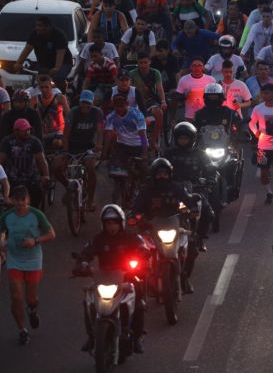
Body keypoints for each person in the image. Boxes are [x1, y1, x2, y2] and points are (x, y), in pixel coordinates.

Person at [74, 204, 148, 352]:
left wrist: (141, 257)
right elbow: (86, 252)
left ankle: (136, 337)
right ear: (103, 224)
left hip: (128, 277)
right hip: (104, 279)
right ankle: (91, 336)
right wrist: (82, 263)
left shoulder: (131, 237)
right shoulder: (98, 239)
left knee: (139, 302)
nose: (111, 226)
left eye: (115, 222)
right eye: (108, 223)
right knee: (88, 301)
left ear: (121, 223)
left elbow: (143, 248)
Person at [130, 158, 203, 293]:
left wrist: (193, 208)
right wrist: (134, 216)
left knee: (192, 247)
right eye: (159, 173)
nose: (162, 176)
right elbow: (136, 206)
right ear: (153, 174)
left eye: (165, 173)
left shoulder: (177, 188)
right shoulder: (145, 190)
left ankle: (184, 279)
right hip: (150, 228)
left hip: (174, 225)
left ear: (170, 174)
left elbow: (188, 199)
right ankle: (142, 287)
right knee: (135, 255)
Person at [0, 185, 55, 345]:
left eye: (23, 200)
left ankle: (32, 309)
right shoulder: (7, 216)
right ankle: (22, 329)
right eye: (17, 200)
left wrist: (35, 240)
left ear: (28, 200)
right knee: (16, 296)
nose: (20, 204)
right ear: (12, 200)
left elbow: (51, 234)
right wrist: (2, 243)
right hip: (14, 260)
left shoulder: (36, 214)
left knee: (31, 298)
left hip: (33, 260)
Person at [163, 123, 215, 244]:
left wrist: (210, 179)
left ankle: (200, 237)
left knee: (208, 213)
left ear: (192, 139)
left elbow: (210, 169)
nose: (183, 141)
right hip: (173, 189)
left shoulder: (200, 154)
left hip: (196, 188)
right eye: (180, 138)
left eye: (185, 138)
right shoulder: (169, 154)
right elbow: (159, 166)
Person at [59, 90, 103, 211]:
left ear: (92, 103)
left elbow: (100, 132)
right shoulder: (73, 112)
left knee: (90, 167)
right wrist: (65, 152)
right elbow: (66, 135)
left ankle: (90, 200)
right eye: (83, 102)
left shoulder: (97, 113)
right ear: (80, 102)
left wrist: (99, 146)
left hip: (88, 147)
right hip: (72, 146)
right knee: (56, 167)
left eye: (88, 103)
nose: (85, 105)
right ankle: (68, 186)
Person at [0, 119, 49, 208]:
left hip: (31, 178)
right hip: (12, 179)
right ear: (16, 131)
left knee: (38, 192)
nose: (27, 132)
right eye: (24, 130)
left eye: (28, 129)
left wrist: (46, 175)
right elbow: (1, 159)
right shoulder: (7, 142)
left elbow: (42, 160)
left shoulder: (35, 142)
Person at [14, 16, 73, 85]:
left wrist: (56, 68)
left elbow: (60, 54)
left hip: (63, 63)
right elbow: (27, 49)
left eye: (40, 26)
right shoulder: (34, 34)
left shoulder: (59, 35)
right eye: (36, 25)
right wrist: (19, 63)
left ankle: (61, 93)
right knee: (37, 80)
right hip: (43, 63)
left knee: (58, 78)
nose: (37, 28)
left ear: (48, 27)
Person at [101, 93, 147, 178]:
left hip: (138, 145)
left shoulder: (137, 115)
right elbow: (108, 134)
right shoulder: (111, 117)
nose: (119, 108)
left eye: (121, 105)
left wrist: (144, 152)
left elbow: (143, 134)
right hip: (122, 145)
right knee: (113, 171)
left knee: (144, 170)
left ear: (127, 104)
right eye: (116, 106)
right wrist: (104, 153)